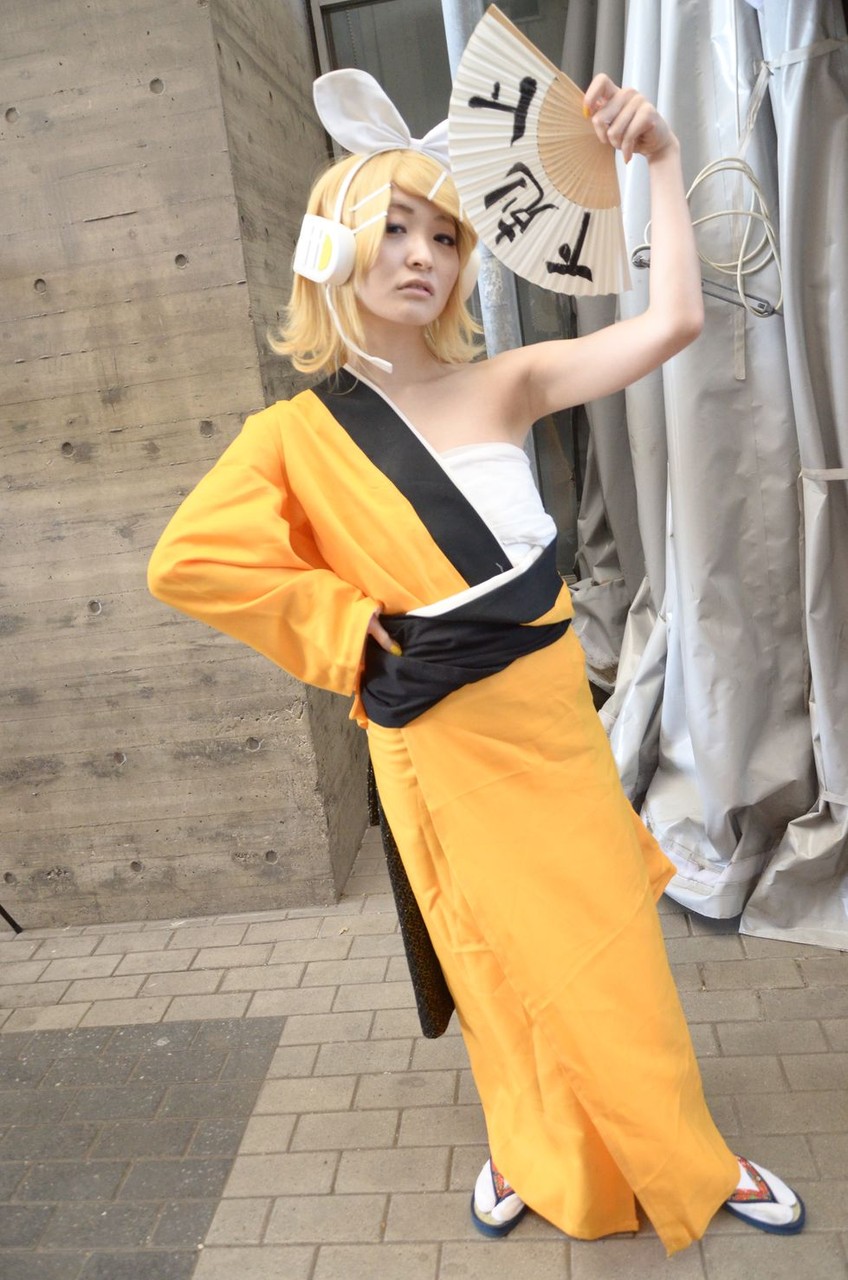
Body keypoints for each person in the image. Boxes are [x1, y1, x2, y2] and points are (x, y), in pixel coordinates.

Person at [147, 67, 804, 1254]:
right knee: (490, 957)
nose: (422, 256)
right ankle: (526, 1143)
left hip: (546, 721)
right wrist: (340, 623)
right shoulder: (287, 438)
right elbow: (188, 559)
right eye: (395, 228)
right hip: (433, 740)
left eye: (444, 236)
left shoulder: (508, 382)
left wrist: (659, 158)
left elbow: (672, 323)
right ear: (332, 246)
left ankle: (689, 1156)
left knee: (610, 948)